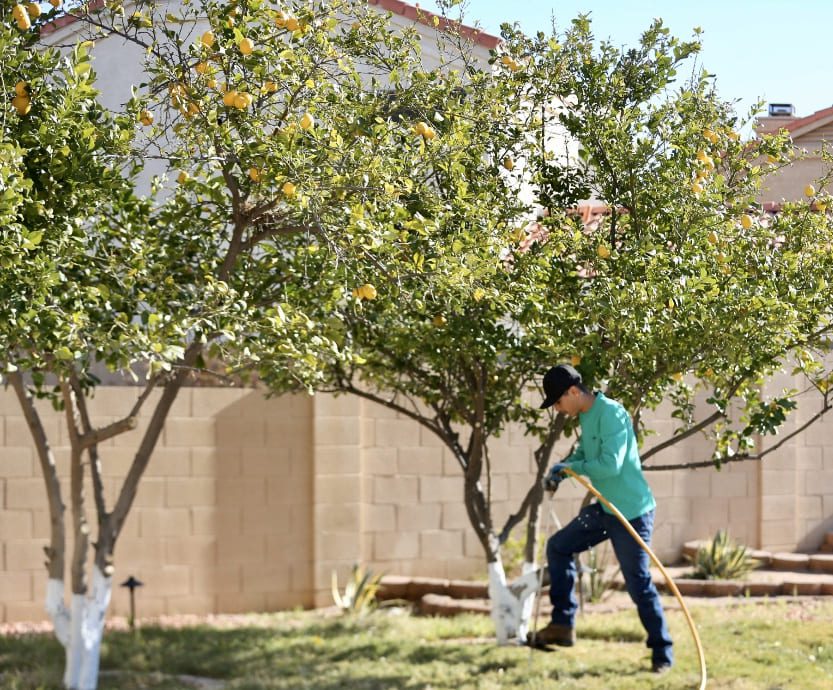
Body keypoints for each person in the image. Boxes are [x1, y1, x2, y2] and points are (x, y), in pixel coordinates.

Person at [531, 363, 673, 673]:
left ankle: (662, 652)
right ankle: (562, 625)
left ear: (573, 391)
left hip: (632, 513)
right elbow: (584, 455)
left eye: (558, 401)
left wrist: (573, 468)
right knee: (558, 547)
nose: (557, 409)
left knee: (638, 584)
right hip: (606, 509)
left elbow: (610, 465)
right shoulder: (586, 416)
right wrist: (561, 469)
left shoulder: (612, 414)